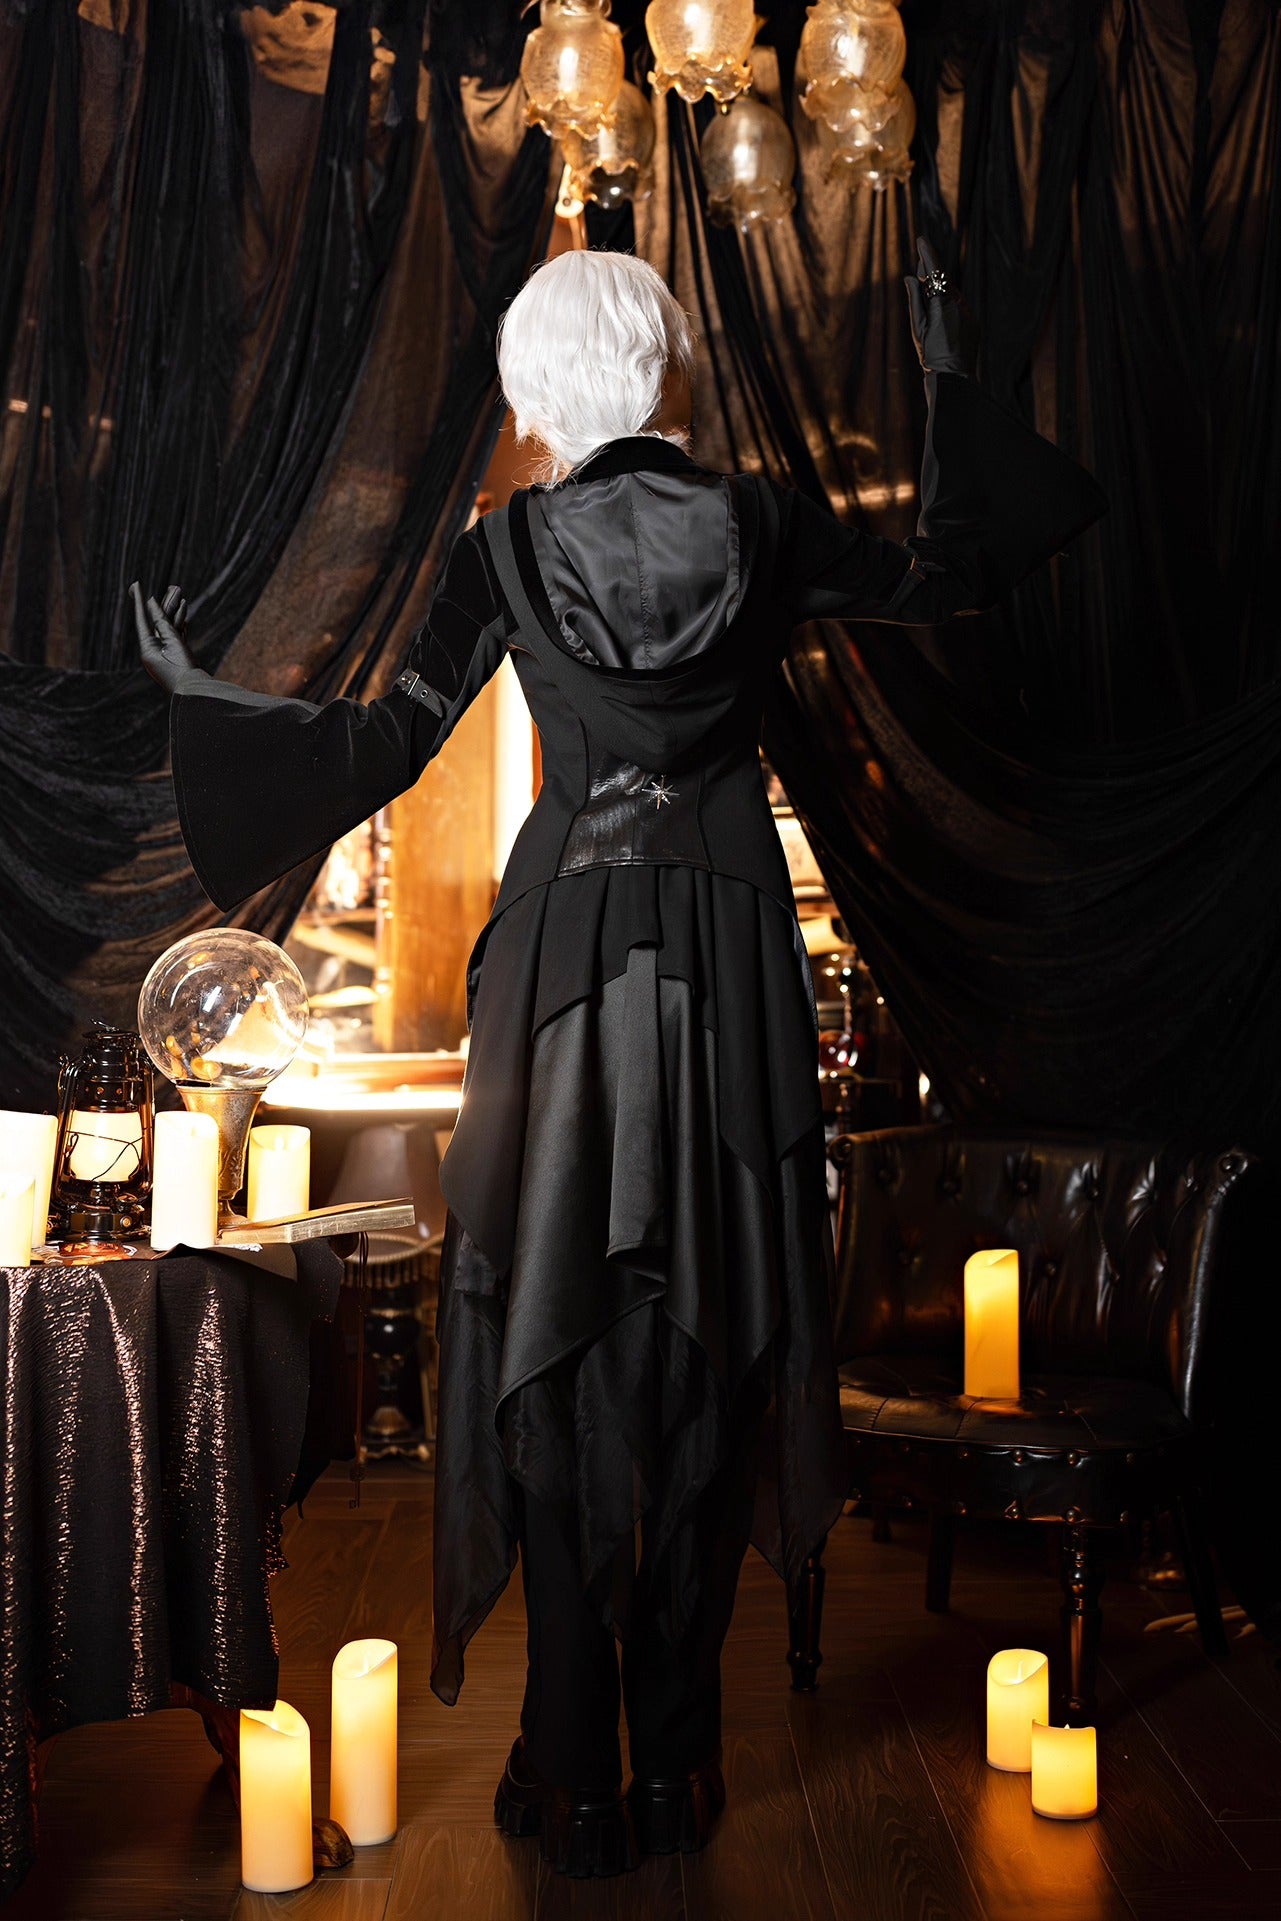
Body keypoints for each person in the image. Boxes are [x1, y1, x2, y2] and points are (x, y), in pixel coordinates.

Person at [134, 243, 1104, 1879]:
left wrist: (208, 706)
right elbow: (951, 573)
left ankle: (575, 1759)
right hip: (725, 966)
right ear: (667, 372)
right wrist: (947, 378)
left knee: (550, 1333)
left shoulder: (503, 548)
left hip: (563, 970)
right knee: (718, 1328)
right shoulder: (766, 525)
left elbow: (382, 745)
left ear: (533, 395)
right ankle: (676, 1759)